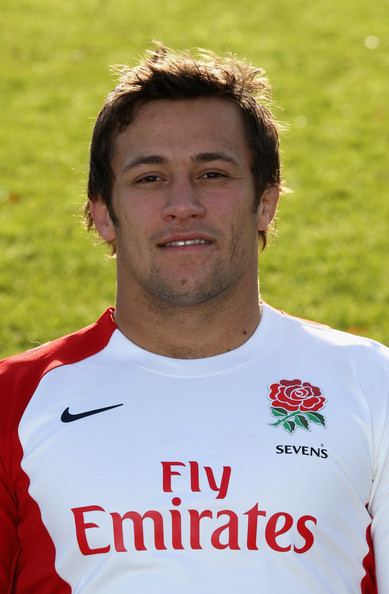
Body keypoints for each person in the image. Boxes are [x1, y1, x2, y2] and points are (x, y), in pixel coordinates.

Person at [0, 44, 388, 594]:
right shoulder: (13, 399)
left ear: (266, 203)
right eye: (150, 178)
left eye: (213, 173)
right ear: (103, 213)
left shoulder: (371, 384)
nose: (183, 203)